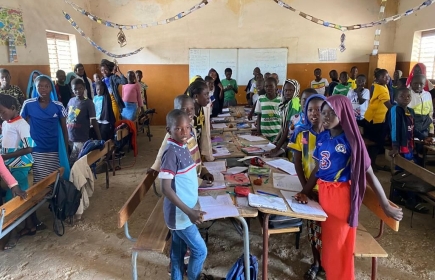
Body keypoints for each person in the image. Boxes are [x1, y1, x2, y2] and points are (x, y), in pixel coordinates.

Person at [295, 95, 403, 280]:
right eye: (323, 112)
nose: (325, 117)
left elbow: (370, 175)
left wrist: (385, 206)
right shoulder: (322, 137)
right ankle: (330, 273)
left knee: (339, 245)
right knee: (328, 243)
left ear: (343, 114)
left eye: (332, 113)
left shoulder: (351, 142)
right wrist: (305, 191)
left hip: (340, 199)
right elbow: (319, 169)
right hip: (323, 195)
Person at [159, 109, 210, 280]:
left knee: (177, 252)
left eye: (187, 127)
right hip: (181, 215)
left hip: (184, 212)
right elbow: (165, 188)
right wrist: (189, 212)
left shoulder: (183, 146)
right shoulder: (171, 152)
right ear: (169, 130)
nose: (185, 132)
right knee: (200, 250)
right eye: (179, 129)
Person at [20, 75, 70, 237]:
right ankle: (38, 213)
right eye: (39, 86)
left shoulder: (58, 106)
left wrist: (67, 147)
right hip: (38, 150)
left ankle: (57, 209)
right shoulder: (28, 105)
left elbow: (64, 128)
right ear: (35, 88)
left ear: (51, 88)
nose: (43, 89)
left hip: (55, 149)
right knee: (40, 182)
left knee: (56, 181)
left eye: (46, 86)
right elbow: (21, 125)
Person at [288, 94, 326, 280]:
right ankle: (316, 262)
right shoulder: (301, 132)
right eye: (310, 109)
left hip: (327, 190)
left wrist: (308, 189)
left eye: (319, 109)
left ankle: (327, 263)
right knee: (313, 228)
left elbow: (321, 167)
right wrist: (306, 189)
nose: (314, 113)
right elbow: (297, 161)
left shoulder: (330, 134)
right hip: (308, 189)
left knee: (326, 230)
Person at [388, 87, 431, 213]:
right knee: (408, 172)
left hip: (410, 146)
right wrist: (395, 146)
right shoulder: (396, 110)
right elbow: (395, 128)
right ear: (396, 98)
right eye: (402, 96)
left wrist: (424, 137)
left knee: (406, 170)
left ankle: (398, 195)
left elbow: (412, 129)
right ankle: (411, 200)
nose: (406, 98)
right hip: (401, 147)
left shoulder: (410, 111)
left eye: (408, 96)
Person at [0, 94, 34, 250]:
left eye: (3, 112)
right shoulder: (7, 123)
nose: (1, 115)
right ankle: (30, 224)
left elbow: (29, 148)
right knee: (18, 195)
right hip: (9, 165)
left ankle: (13, 234)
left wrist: (5, 156)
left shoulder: (22, 124)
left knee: (11, 199)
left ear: (13, 108)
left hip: (20, 165)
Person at [67, 78, 101, 164]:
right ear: (72, 89)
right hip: (70, 136)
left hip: (81, 138)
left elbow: (93, 121)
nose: (78, 91)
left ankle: (75, 177)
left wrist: (100, 138)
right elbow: (67, 118)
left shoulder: (88, 103)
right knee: (72, 159)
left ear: (84, 88)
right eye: (75, 89)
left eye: (80, 88)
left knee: (74, 162)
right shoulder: (71, 101)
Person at [364, 69, 393, 170]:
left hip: (375, 118)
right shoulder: (380, 88)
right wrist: (399, 110)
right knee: (376, 142)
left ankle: (371, 163)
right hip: (375, 119)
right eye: (384, 77)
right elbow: (389, 105)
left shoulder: (378, 85)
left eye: (388, 76)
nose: (387, 78)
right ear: (377, 78)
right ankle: (370, 164)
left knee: (375, 142)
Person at [267, 79, 301, 158]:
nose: (287, 92)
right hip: (287, 140)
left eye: (291, 90)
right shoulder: (286, 103)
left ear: (296, 90)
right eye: (285, 90)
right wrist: (275, 141)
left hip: (292, 141)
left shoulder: (294, 102)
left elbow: (288, 128)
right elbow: (283, 127)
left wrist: (277, 148)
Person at [188, 80, 214, 162]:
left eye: (208, 94)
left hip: (197, 151)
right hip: (187, 155)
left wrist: (208, 154)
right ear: (196, 97)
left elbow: (205, 135)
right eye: (205, 94)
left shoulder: (204, 109)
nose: (208, 97)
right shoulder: (187, 114)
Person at [255, 77, 281, 142]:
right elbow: (259, 116)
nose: (268, 88)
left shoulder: (281, 100)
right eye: (266, 86)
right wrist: (258, 131)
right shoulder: (260, 99)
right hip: (264, 134)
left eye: (271, 86)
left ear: (276, 88)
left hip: (277, 134)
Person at [408, 74, 434, 139]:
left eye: (421, 84)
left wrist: (431, 129)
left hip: (425, 127)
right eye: (415, 83)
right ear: (411, 83)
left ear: (424, 85)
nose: (418, 86)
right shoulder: (406, 95)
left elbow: (430, 113)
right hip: (412, 126)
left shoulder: (428, 95)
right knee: (411, 145)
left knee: (422, 145)